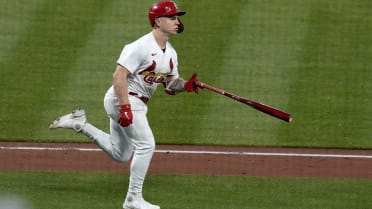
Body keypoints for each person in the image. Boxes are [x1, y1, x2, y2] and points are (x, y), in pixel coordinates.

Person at [49, 1, 199, 209]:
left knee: (122, 154)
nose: (177, 21)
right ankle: (133, 199)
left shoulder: (171, 54)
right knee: (146, 144)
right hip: (124, 99)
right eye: (172, 17)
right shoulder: (140, 47)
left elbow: (171, 84)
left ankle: (80, 123)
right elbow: (119, 75)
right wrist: (125, 107)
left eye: (177, 17)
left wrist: (187, 86)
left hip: (134, 102)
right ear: (158, 21)